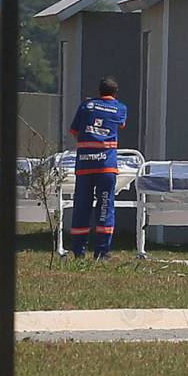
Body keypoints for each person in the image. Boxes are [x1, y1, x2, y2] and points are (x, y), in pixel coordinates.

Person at [68, 76, 128, 260]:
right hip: (106, 167)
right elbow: (122, 125)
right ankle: (102, 252)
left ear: (99, 91)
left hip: (85, 165)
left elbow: (74, 131)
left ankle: (79, 252)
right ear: (115, 93)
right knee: (105, 206)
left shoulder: (86, 106)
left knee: (81, 206)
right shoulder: (120, 108)